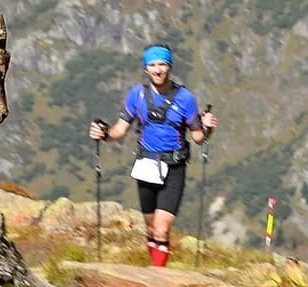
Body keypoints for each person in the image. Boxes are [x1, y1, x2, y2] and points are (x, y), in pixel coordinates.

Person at [88, 44, 217, 267]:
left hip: (174, 167)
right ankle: (154, 269)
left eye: (162, 64)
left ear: (170, 66)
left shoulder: (185, 99)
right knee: (149, 227)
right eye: (153, 65)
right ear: (146, 68)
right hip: (146, 165)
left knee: (161, 228)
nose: (158, 70)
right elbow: (120, 130)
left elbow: (198, 137)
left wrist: (208, 128)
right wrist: (103, 133)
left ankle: (157, 275)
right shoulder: (137, 96)